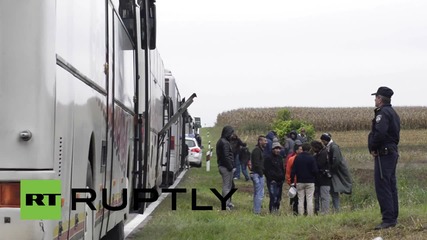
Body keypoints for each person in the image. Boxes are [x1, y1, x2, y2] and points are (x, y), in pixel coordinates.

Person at [368, 86, 400, 230]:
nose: (375, 99)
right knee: (391, 185)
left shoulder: (383, 113)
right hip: (391, 152)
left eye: (376, 97)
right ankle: (393, 216)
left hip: (384, 153)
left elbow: (379, 134)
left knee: (383, 186)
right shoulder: (393, 113)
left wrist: (373, 147)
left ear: (380, 99)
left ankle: (388, 219)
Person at [320, 133, 352, 213]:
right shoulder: (330, 146)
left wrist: (330, 170)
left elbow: (336, 160)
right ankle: (336, 210)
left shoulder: (334, 147)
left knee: (334, 191)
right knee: (333, 192)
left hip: (335, 172)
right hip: (333, 172)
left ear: (325, 140)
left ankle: (337, 210)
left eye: (323, 141)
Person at [290, 143, 318, 216]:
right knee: (309, 199)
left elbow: (293, 171)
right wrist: (314, 178)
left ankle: (301, 215)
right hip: (310, 181)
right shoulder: (312, 158)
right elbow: (315, 170)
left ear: (302, 149)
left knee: (300, 199)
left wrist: (292, 181)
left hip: (300, 181)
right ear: (309, 149)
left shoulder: (297, 158)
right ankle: (310, 215)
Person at [216, 126, 236, 210]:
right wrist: (230, 166)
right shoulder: (225, 143)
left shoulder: (221, 141)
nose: (232, 135)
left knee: (230, 186)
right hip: (226, 167)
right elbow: (226, 156)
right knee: (227, 186)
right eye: (231, 133)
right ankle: (226, 204)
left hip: (223, 165)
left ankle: (228, 203)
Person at [264, 141, 285, 213]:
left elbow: (282, 168)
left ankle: (277, 209)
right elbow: (266, 170)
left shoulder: (280, 158)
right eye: (276, 148)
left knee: (279, 197)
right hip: (272, 180)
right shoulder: (268, 158)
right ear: (273, 149)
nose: (278, 150)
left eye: (279, 149)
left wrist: (283, 177)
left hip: (280, 180)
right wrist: (270, 178)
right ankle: (272, 210)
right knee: (273, 196)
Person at [311, 140, 331, 215]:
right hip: (320, 179)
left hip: (324, 179)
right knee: (320, 197)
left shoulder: (323, 154)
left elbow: (319, 165)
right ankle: (320, 211)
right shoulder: (320, 154)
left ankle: (324, 212)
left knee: (324, 197)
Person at [285, 142, 304, 215]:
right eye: (300, 149)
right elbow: (288, 171)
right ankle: (295, 212)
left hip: (300, 181)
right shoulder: (292, 159)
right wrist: (290, 182)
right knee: (295, 199)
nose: (302, 151)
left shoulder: (301, 158)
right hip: (295, 182)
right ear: (296, 150)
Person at [250, 135, 267, 214]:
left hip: (257, 174)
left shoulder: (259, 150)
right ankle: (257, 211)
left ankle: (256, 209)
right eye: (264, 141)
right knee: (259, 194)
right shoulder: (257, 151)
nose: (266, 142)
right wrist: (261, 173)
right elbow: (256, 163)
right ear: (260, 141)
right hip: (257, 174)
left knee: (258, 193)